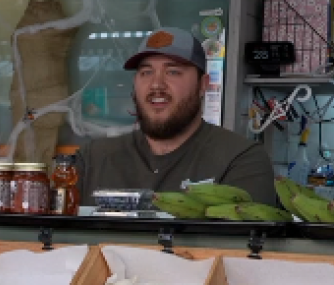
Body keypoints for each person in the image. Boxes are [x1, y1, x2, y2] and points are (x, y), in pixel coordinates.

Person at [78, 28, 275, 205]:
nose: (156, 85)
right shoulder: (93, 159)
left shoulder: (240, 160)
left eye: (173, 72)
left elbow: (238, 243)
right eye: (146, 72)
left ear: (203, 85)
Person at [10, 0, 79, 165]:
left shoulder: (62, 22)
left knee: (42, 156)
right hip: (21, 96)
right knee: (22, 153)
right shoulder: (24, 18)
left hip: (48, 96)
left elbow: (77, 24)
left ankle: (39, 196)